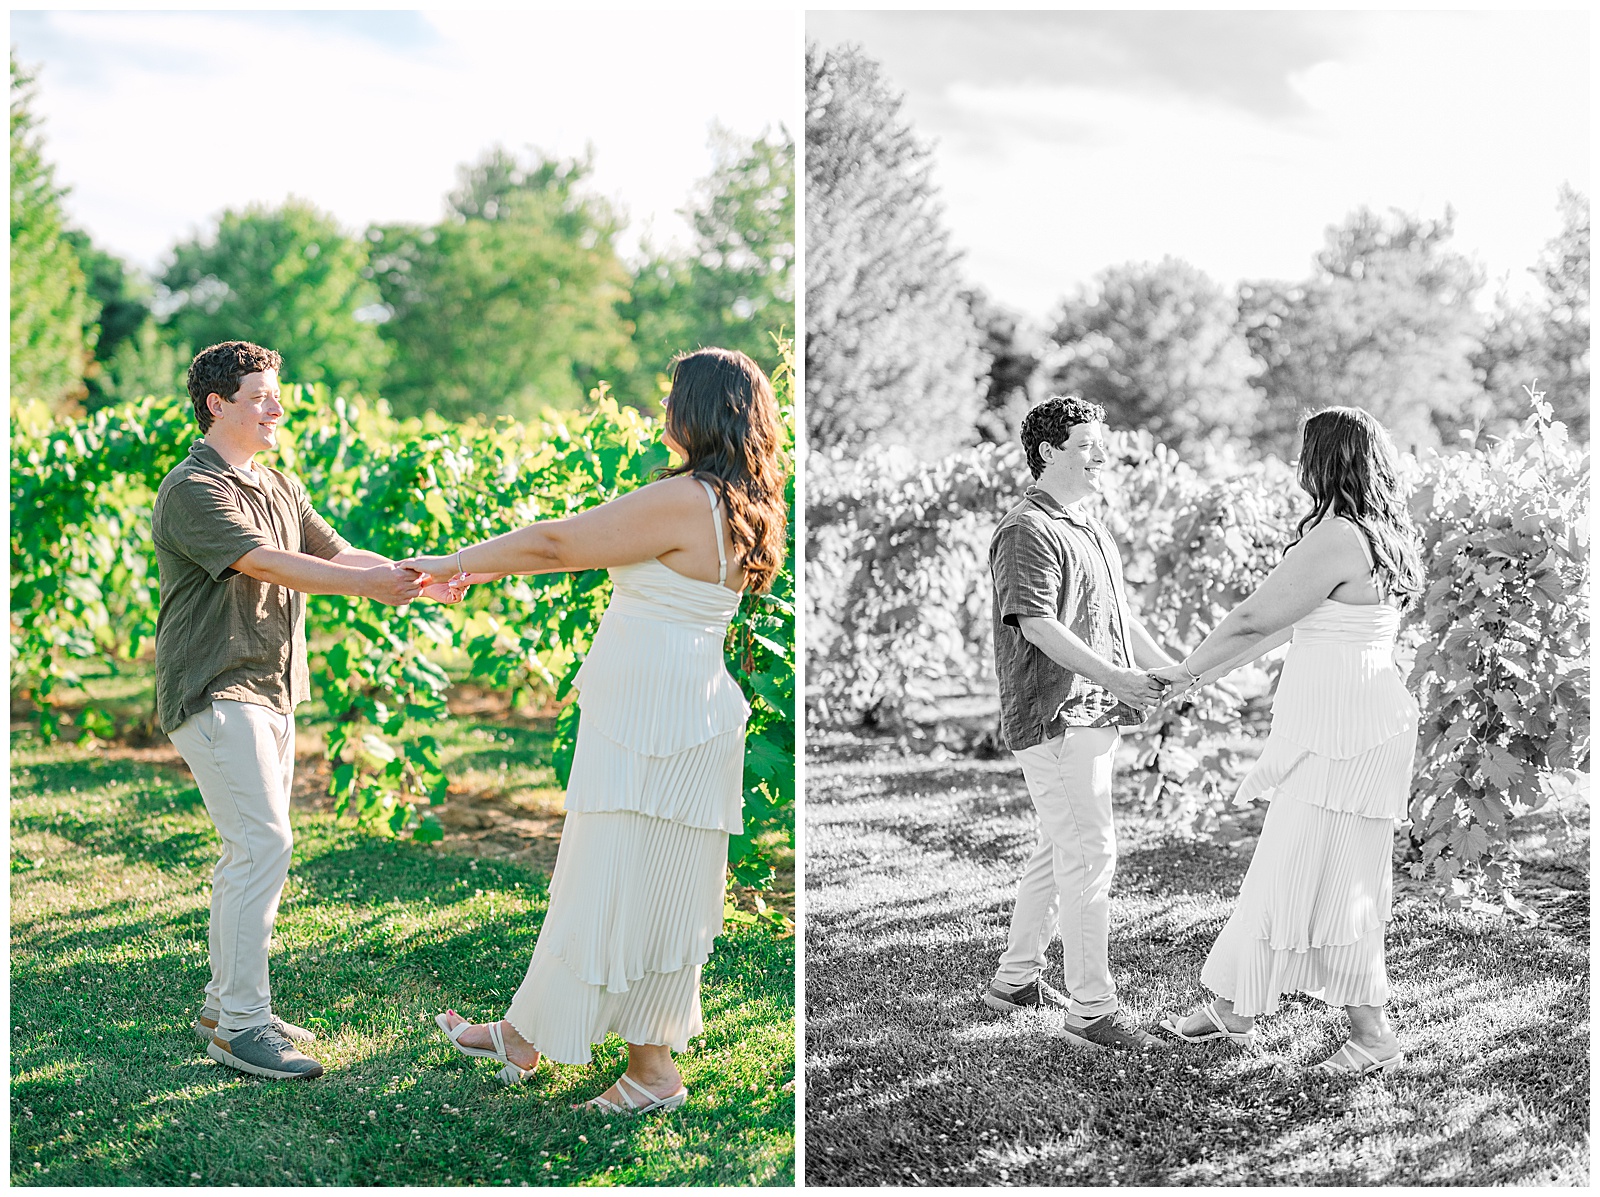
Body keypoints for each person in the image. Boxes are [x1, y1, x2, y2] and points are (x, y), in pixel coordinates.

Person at [411, 347, 788, 1113]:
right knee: (610, 876)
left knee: (628, 880)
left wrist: (457, 562)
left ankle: (653, 1073)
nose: (661, 412)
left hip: (655, 720)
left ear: (697, 410)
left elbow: (557, 543)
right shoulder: (743, 499)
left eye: (670, 398)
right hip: (679, 708)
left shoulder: (690, 499)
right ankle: (525, 1033)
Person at [153, 340, 459, 1082]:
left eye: (276, 394)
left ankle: (227, 1004)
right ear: (216, 404)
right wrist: (369, 587)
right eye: (260, 396)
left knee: (249, 850)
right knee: (264, 845)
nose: (276, 408)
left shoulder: (279, 482)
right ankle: (242, 1027)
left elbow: (338, 551)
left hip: (273, 689)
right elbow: (266, 561)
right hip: (218, 687)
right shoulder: (195, 488)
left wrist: (414, 574)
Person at [1155, 406, 1423, 1076]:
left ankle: (1373, 1033)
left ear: (1322, 461)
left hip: (1348, 738)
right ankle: (1235, 1006)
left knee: (1337, 880)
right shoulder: (1379, 530)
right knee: (1291, 863)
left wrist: (1181, 670)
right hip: (1360, 726)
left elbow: (1251, 616)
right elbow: (1278, 629)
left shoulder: (1336, 535)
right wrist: (1187, 679)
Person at [982, 394, 1179, 1052]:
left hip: (1092, 712)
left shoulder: (1087, 525)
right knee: (1088, 853)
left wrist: (1167, 669)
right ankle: (1093, 1010)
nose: (1104, 458)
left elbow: (1120, 619)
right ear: (1049, 452)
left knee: (1057, 847)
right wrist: (1118, 679)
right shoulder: (1026, 528)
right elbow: (1038, 625)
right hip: (1055, 715)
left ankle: (1015, 981)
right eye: (1089, 447)